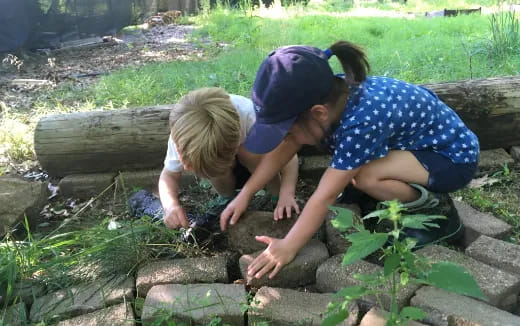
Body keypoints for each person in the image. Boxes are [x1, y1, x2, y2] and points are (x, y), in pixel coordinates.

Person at [220, 41, 479, 280]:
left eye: (286, 129)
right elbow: (290, 145)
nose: (284, 138)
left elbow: (326, 196)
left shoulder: (362, 122)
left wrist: (288, 246)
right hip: (416, 151)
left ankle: (432, 207)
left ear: (318, 113)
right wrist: (246, 194)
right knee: (356, 174)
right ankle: (393, 192)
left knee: (364, 177)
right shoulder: (332, 96)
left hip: (451, 158)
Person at [158, 87, 300, 230]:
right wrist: (170, 206)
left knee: (249, 154)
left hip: (259, 162)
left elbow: (289, 156)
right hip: (228, 166)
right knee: (216, 168)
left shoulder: (252, 117)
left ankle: (274, 196)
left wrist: (286, 193)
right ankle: (227, 197)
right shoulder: (183, 140)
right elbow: (168, 176)